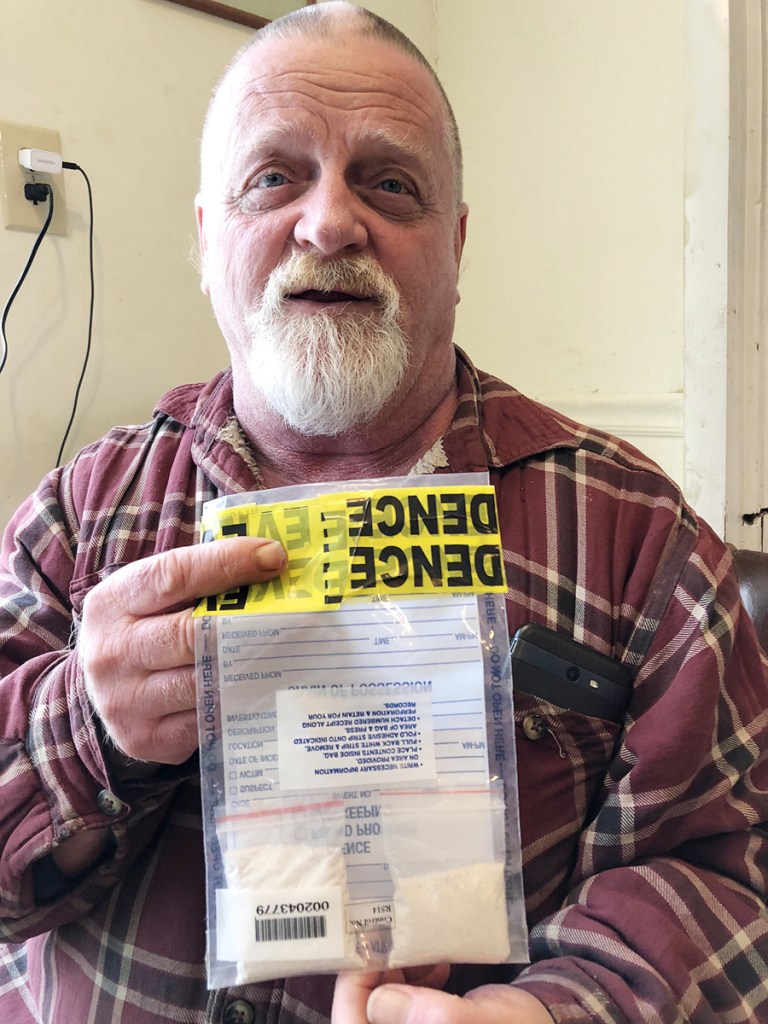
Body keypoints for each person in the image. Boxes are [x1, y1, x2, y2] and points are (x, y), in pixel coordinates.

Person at [0, 3, 767, 1023]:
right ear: (204, 237)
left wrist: (559, 1012)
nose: (328, 223)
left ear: (455, 243)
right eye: (274, 177)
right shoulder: (79, 518)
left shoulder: (640, 539)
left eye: (389, 183)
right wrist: (90, 727)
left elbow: (721, 870)